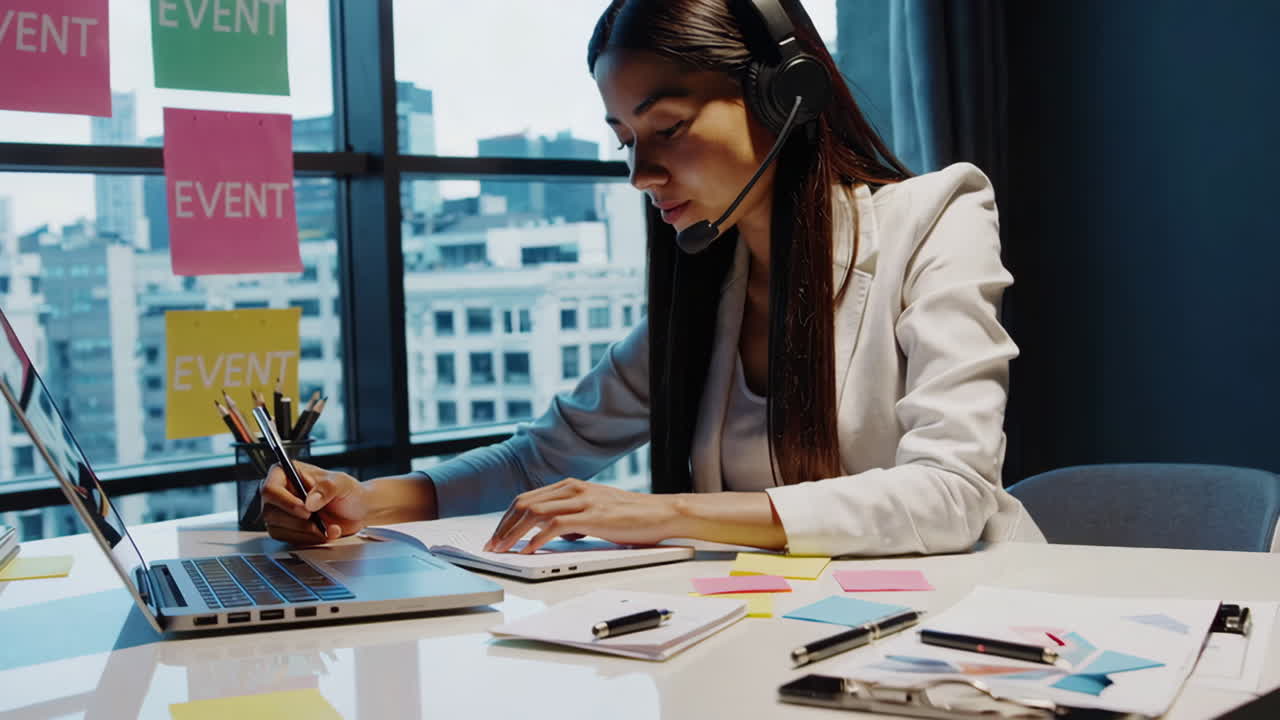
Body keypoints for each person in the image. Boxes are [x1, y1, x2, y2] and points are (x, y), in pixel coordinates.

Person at [261, 0, 1044, 556]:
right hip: (783, 635)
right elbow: (542, 457)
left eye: (667, 129)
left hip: (962, 633)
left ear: (785, 97)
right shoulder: (711, 282)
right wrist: (366, 500)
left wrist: (662, 513)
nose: (641, 172)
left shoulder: (938, 215)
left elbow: (952, 493)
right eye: (624, 139)